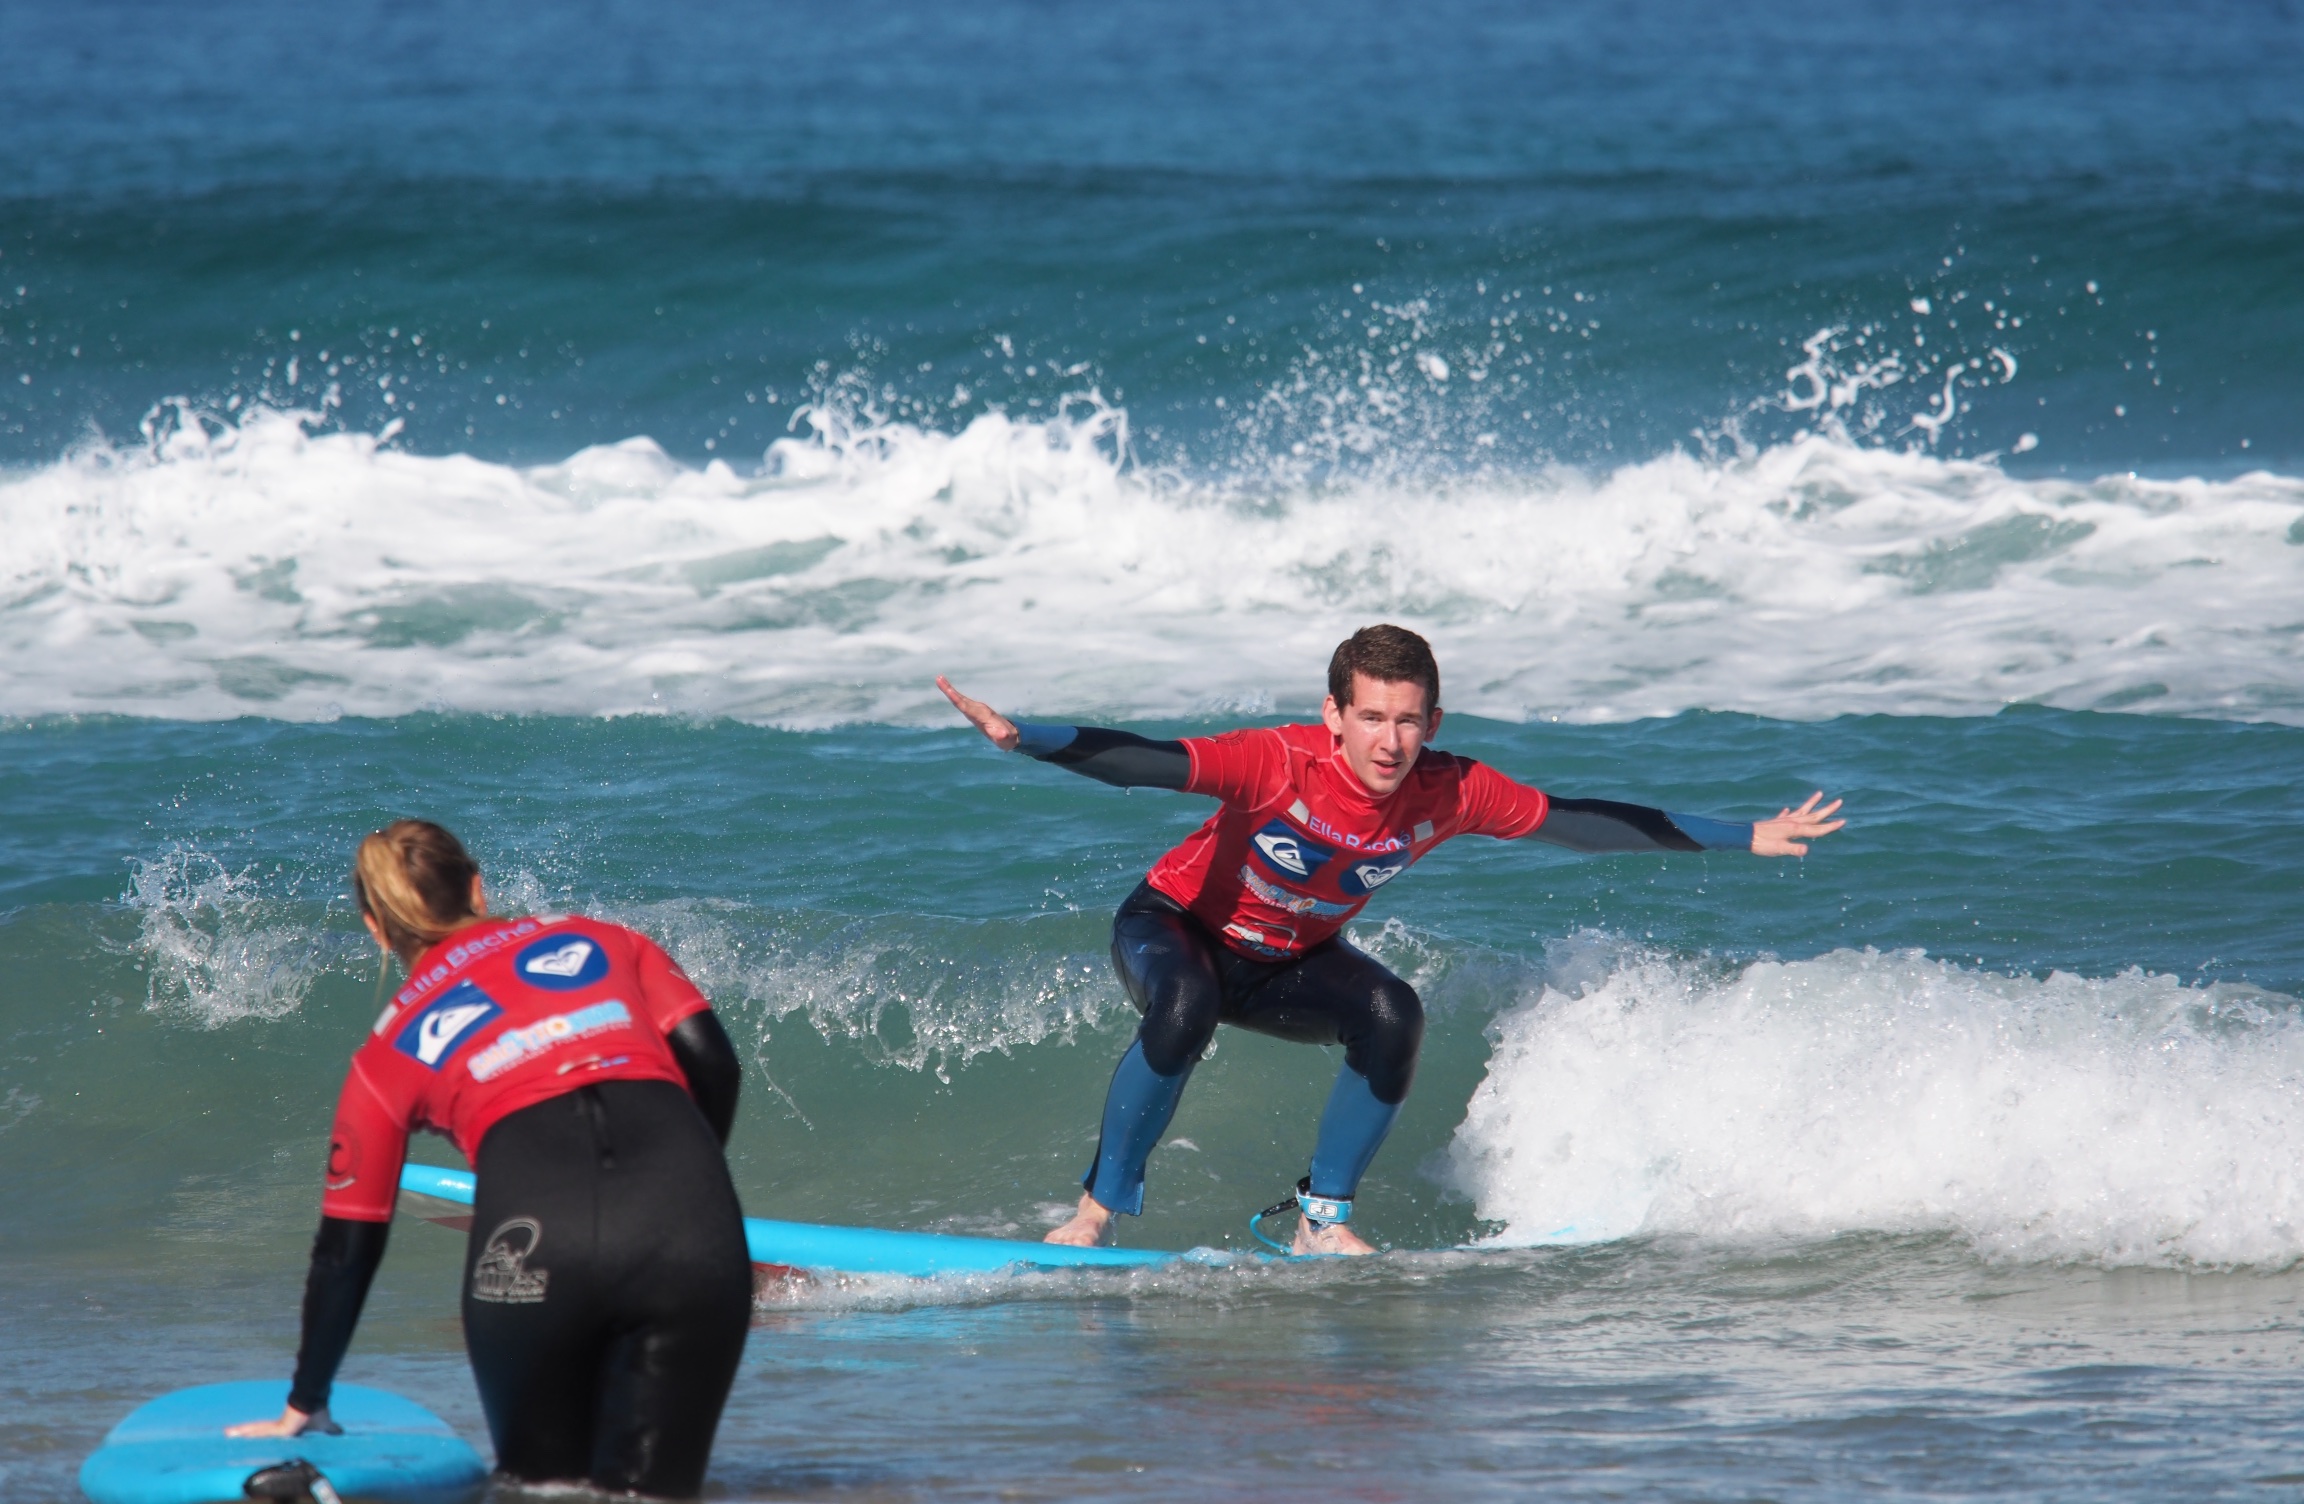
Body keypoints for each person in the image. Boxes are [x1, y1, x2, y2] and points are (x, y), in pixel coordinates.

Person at [937, 624, 1842, 1257]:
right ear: (1334, 715)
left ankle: (1319, 1221)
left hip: (1284, 960)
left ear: (1433, 725)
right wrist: (1028, 739)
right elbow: (1148, 760)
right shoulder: (1277, 761)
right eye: (1371, 716)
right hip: (1176, 929)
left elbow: (1578, 823)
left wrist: (1743, 834)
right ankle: (1096, 1212)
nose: (1390, 738)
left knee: (1391, 1014)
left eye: (1409, 719)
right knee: (1188, 1000)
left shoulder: (1450, 791)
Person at [227, 820, 754, 1500]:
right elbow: (715, 1065)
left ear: (376, 929)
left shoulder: (386, 1054)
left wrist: (307, 1398)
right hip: (687, 1223)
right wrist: (687, 1204)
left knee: (542, 1493)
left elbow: (347, 1248)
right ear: (477, 887)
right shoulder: (603, 939)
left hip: (537, 1246)